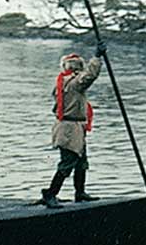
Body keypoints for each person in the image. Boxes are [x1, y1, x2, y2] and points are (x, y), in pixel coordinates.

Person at [40, 46, 104, 209]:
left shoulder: (62, 82)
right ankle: (51, 193)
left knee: (81, 161)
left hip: (71, 126)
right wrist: (96, 58)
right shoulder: (74, 83)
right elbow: (89, 76)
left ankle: (80, 192)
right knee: (68, 162)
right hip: (70, 128)